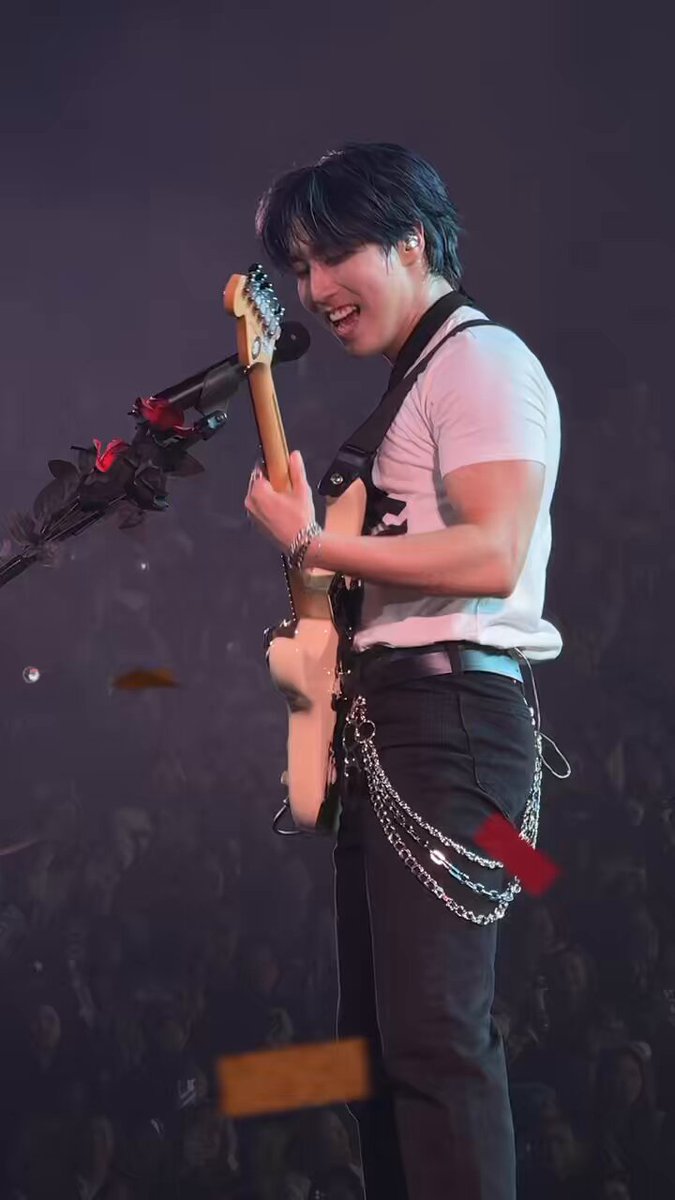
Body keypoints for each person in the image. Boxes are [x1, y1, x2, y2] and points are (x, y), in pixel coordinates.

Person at [245, 142, 562, 1200]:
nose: (313, 289)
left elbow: (493, 553)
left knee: (432, 1037)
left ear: (411, 241)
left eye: (331, 255)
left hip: (451, 716)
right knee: (375, 1051)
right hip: (394, 724)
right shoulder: (415, 384)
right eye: (298, 267)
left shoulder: (480, 361)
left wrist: (316, 542)